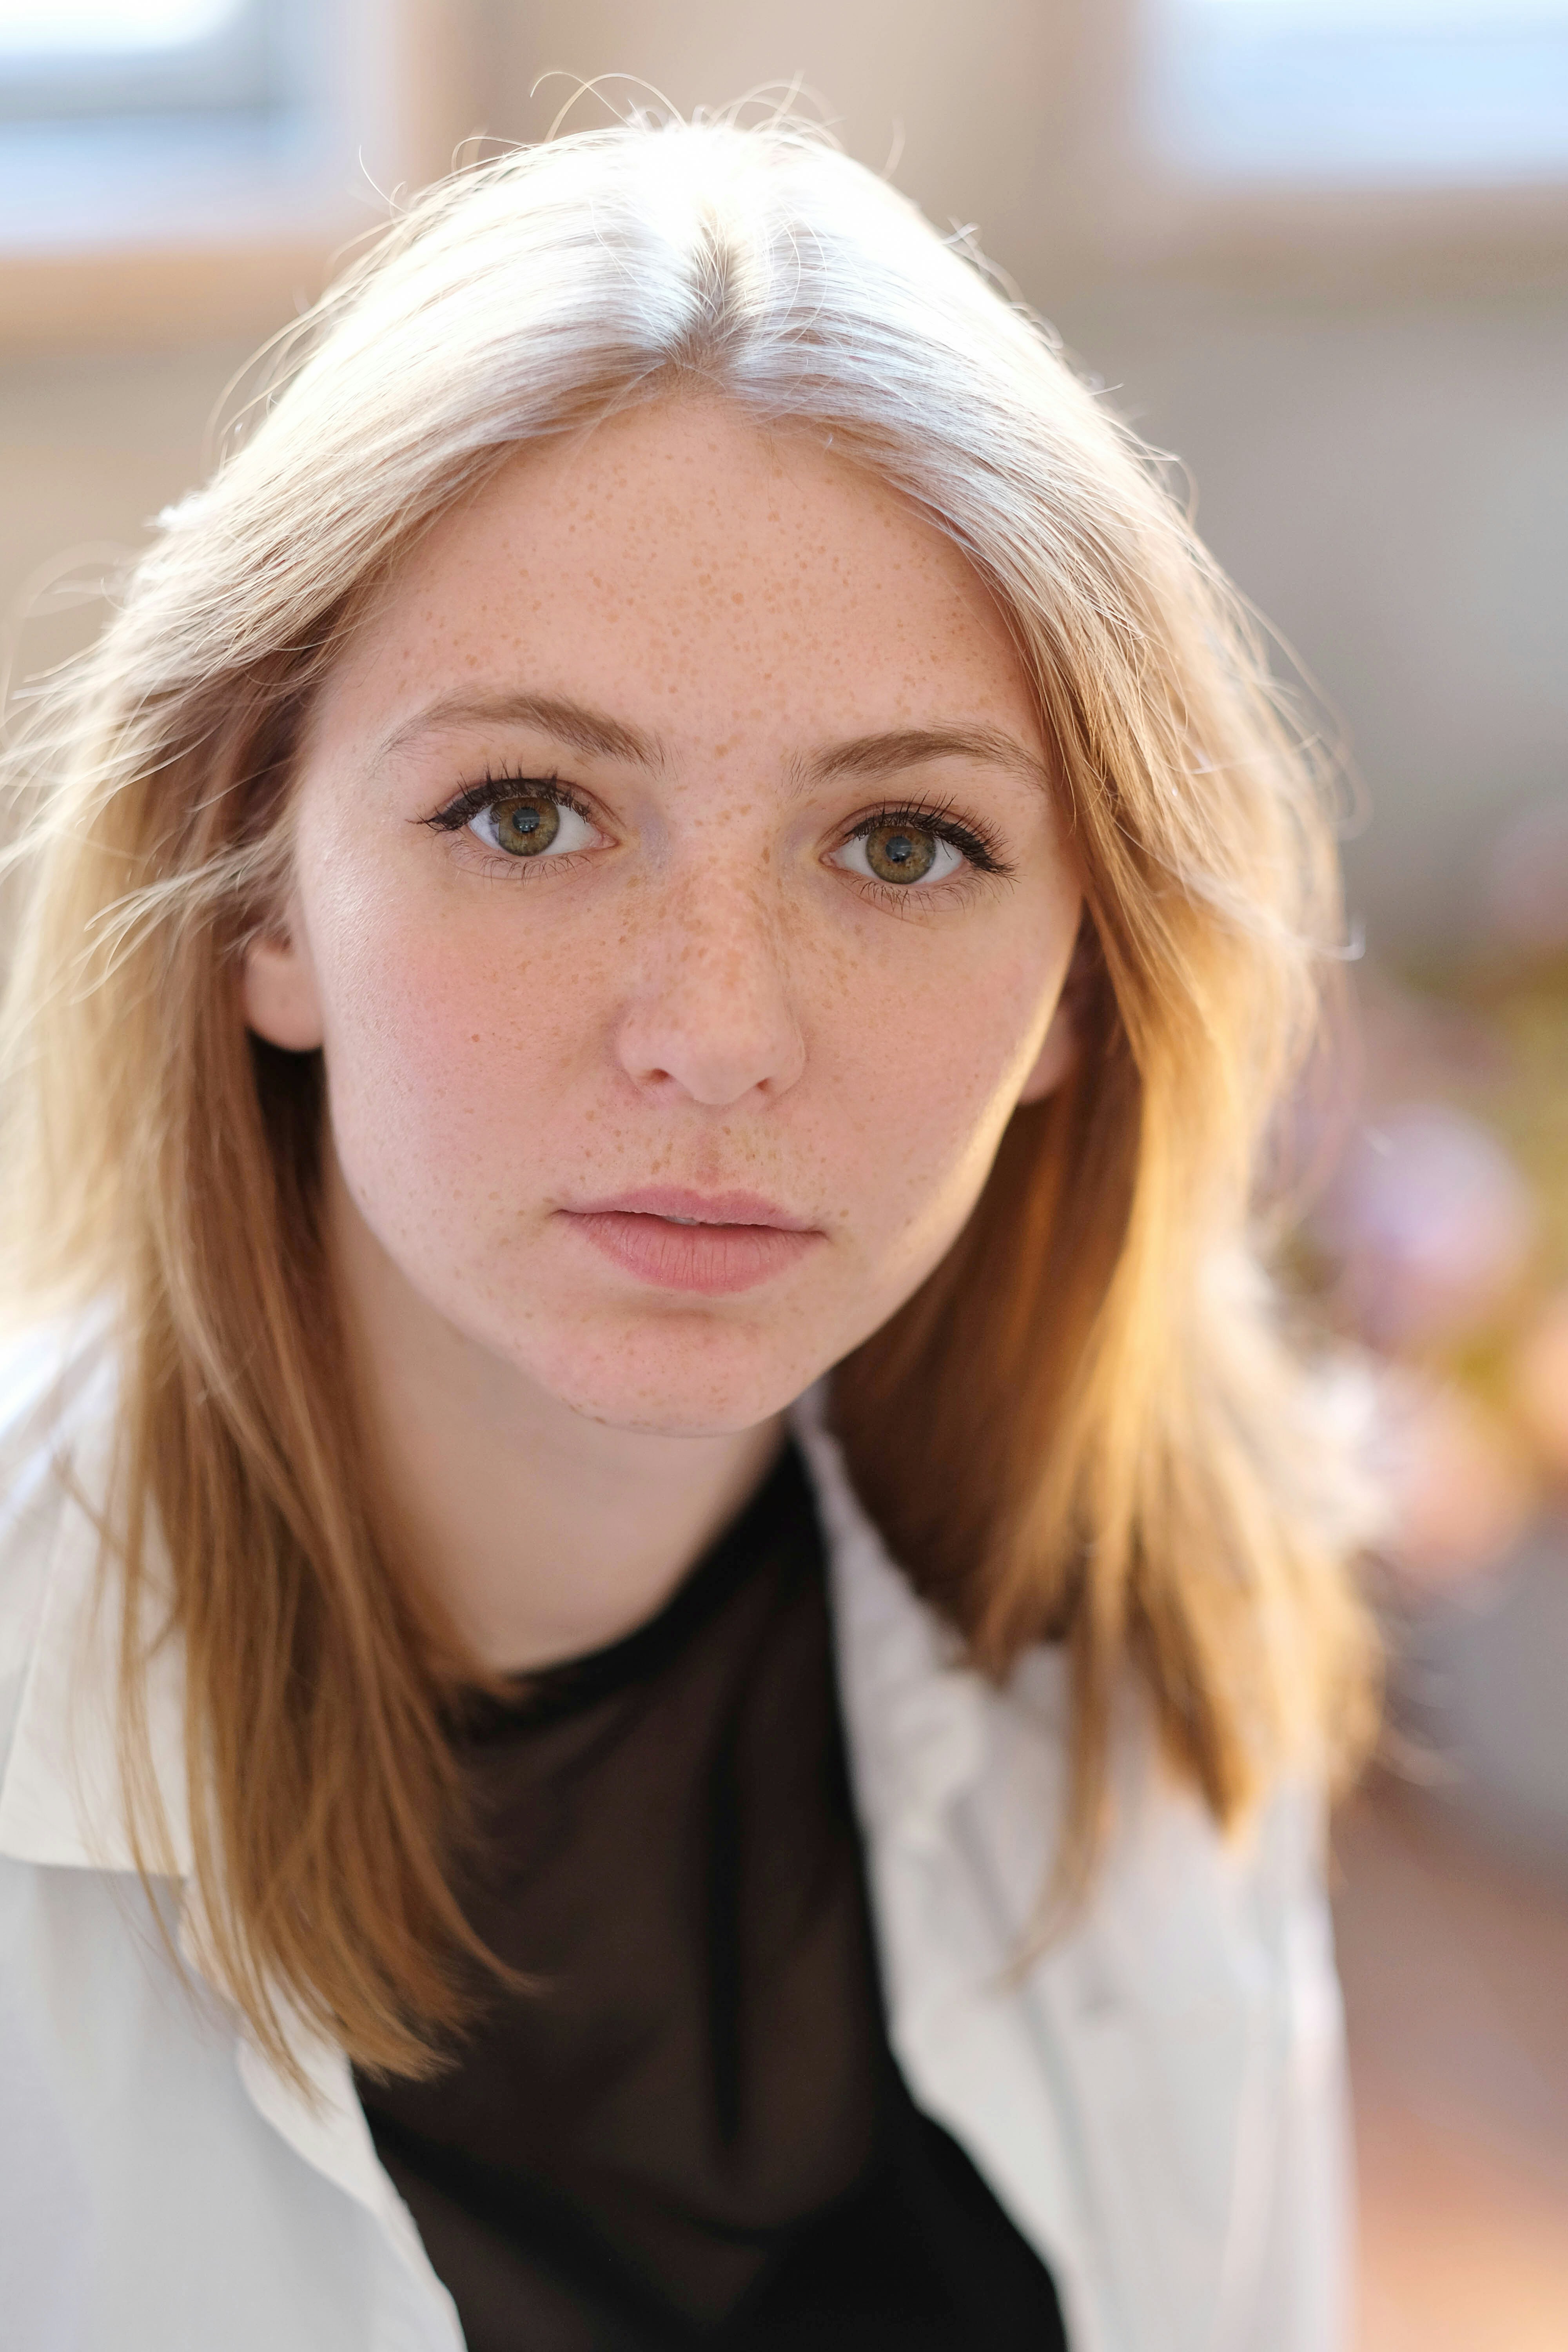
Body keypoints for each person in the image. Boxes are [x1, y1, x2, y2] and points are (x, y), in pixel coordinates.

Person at [0, 114, 1376, 2352]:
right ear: (266, 907)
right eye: (530, 814)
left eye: (906, 845)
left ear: (1079, 987)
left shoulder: (1132, 1652)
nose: (717, 1034)